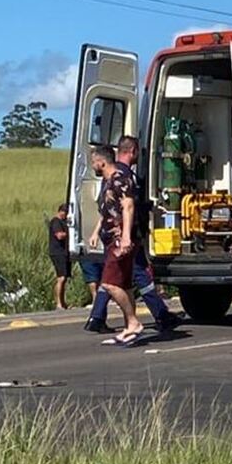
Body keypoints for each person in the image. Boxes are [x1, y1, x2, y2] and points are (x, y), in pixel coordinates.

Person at [85, 136, 181, 334]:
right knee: (134, 277)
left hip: (116, 236)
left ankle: (99, 316)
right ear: (133, 151)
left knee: (115, 278)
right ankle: (156, 316)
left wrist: (97, 232)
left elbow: (107, 209)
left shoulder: (111, 176)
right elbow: (126, 207)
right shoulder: (123, 176)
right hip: (125, 236)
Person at [87, 146, 144, 344]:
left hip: (121, 239)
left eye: (93, 162)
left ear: (101, 162)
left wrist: (126, 236)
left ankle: (134, 322)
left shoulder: (120, 179)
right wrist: (95, 232)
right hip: (111, 238)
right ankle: (130, 327)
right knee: (125, 283)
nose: (92, 165)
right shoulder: (107, 183)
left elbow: (128, 206)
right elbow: (107, 212)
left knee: (110, 284)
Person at [48, 204, 71, 310]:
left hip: (64, 252)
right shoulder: (56, 222)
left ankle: (62, 302)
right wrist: (69, 232)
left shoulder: (63, 222)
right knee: (61, 278)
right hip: (58, 252)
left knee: (64, 278)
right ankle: (58, 303)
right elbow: (59, 235)